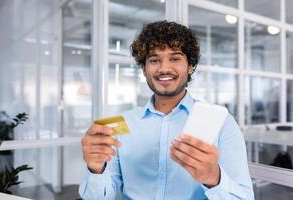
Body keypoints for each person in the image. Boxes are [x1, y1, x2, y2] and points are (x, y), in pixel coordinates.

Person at [79, 20, 254, 200]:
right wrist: (95, 169)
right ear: (144, 69)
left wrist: (213, 178)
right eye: (154, 60)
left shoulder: (221, 123)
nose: (164, 68)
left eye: (175, 58)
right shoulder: (121, 124)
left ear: (190, 66)